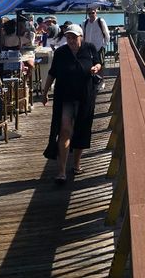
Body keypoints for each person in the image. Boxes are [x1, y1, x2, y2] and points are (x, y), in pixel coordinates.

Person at [42, 24, 102, 184]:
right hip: (65, 97)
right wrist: (45, 92)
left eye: (74, 37)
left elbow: (98, 63)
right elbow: (52, 73)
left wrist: (96, 67)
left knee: (81, 130)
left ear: (81, 37)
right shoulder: (61, 52)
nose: (71, 40)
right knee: (65, 131)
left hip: (85, 96)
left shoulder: (89, 48)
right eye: (68, 37)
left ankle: (76, 165)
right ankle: (61, 172)